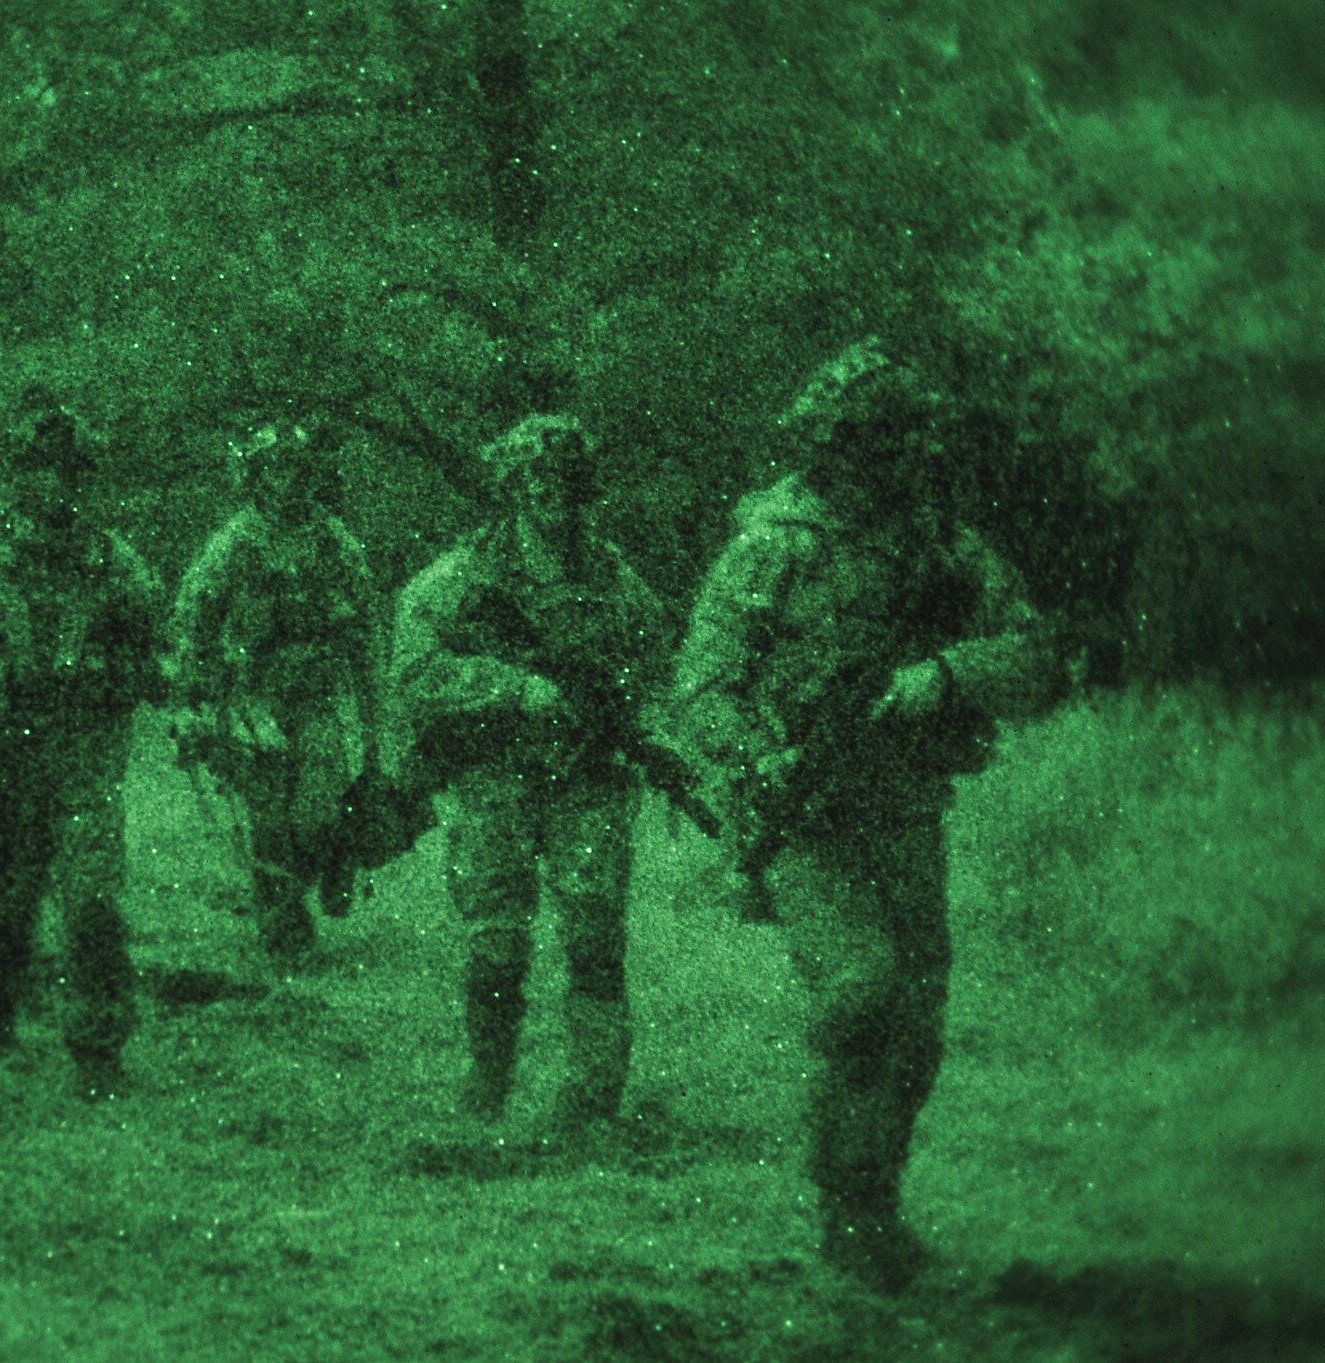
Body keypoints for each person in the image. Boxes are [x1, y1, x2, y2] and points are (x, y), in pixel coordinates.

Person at [663, 339, 1069, 1290]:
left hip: (904, 811)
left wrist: (944, 675)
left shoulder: (940, 545)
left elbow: (1037, 653)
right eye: (880, 440)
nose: (899, 458)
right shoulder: (774, 544)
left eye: (905, 440)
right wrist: (762, 757)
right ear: (839, 443)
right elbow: (702, 688)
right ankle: (843, 1207)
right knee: (862, 991)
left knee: (918, 1026)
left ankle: (874, 1214)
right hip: (804, 818)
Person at [382, 413, 684, 1131]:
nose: (555, 499)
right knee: (496, 938)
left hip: (588, 779)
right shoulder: (462, 578)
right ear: (514, 489)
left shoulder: (618, 582)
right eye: (539, 484)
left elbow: (653, 672)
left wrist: (649, 733)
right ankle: (487, 1087)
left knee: (595, 934)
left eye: (571, 486)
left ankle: (595, 1097)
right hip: (495, 778)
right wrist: (517, 687)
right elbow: (416, 669)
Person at [0, 399, 166, 1100]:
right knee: (7, 897)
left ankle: (97, 1050)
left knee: (92, 900)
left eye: (69, 472)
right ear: (15, 476)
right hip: (0, 753)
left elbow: (155, 659)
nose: (54, 486)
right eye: (38, 470)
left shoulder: (116, 563)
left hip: (85, 753)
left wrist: (116, 672)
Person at [166, 420, 381, 965]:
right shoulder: (234, 542)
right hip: (250, 700)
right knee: (267, 818)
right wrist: (192, 701)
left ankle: (332, 863)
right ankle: (283, 920)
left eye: (300, 470)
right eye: (278, 470)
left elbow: (364, 630)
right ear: (257, 478)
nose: (290, 481)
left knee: (319, 809)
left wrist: (375, 717)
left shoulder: (335, 543)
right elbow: (193, 619)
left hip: (315, 698)